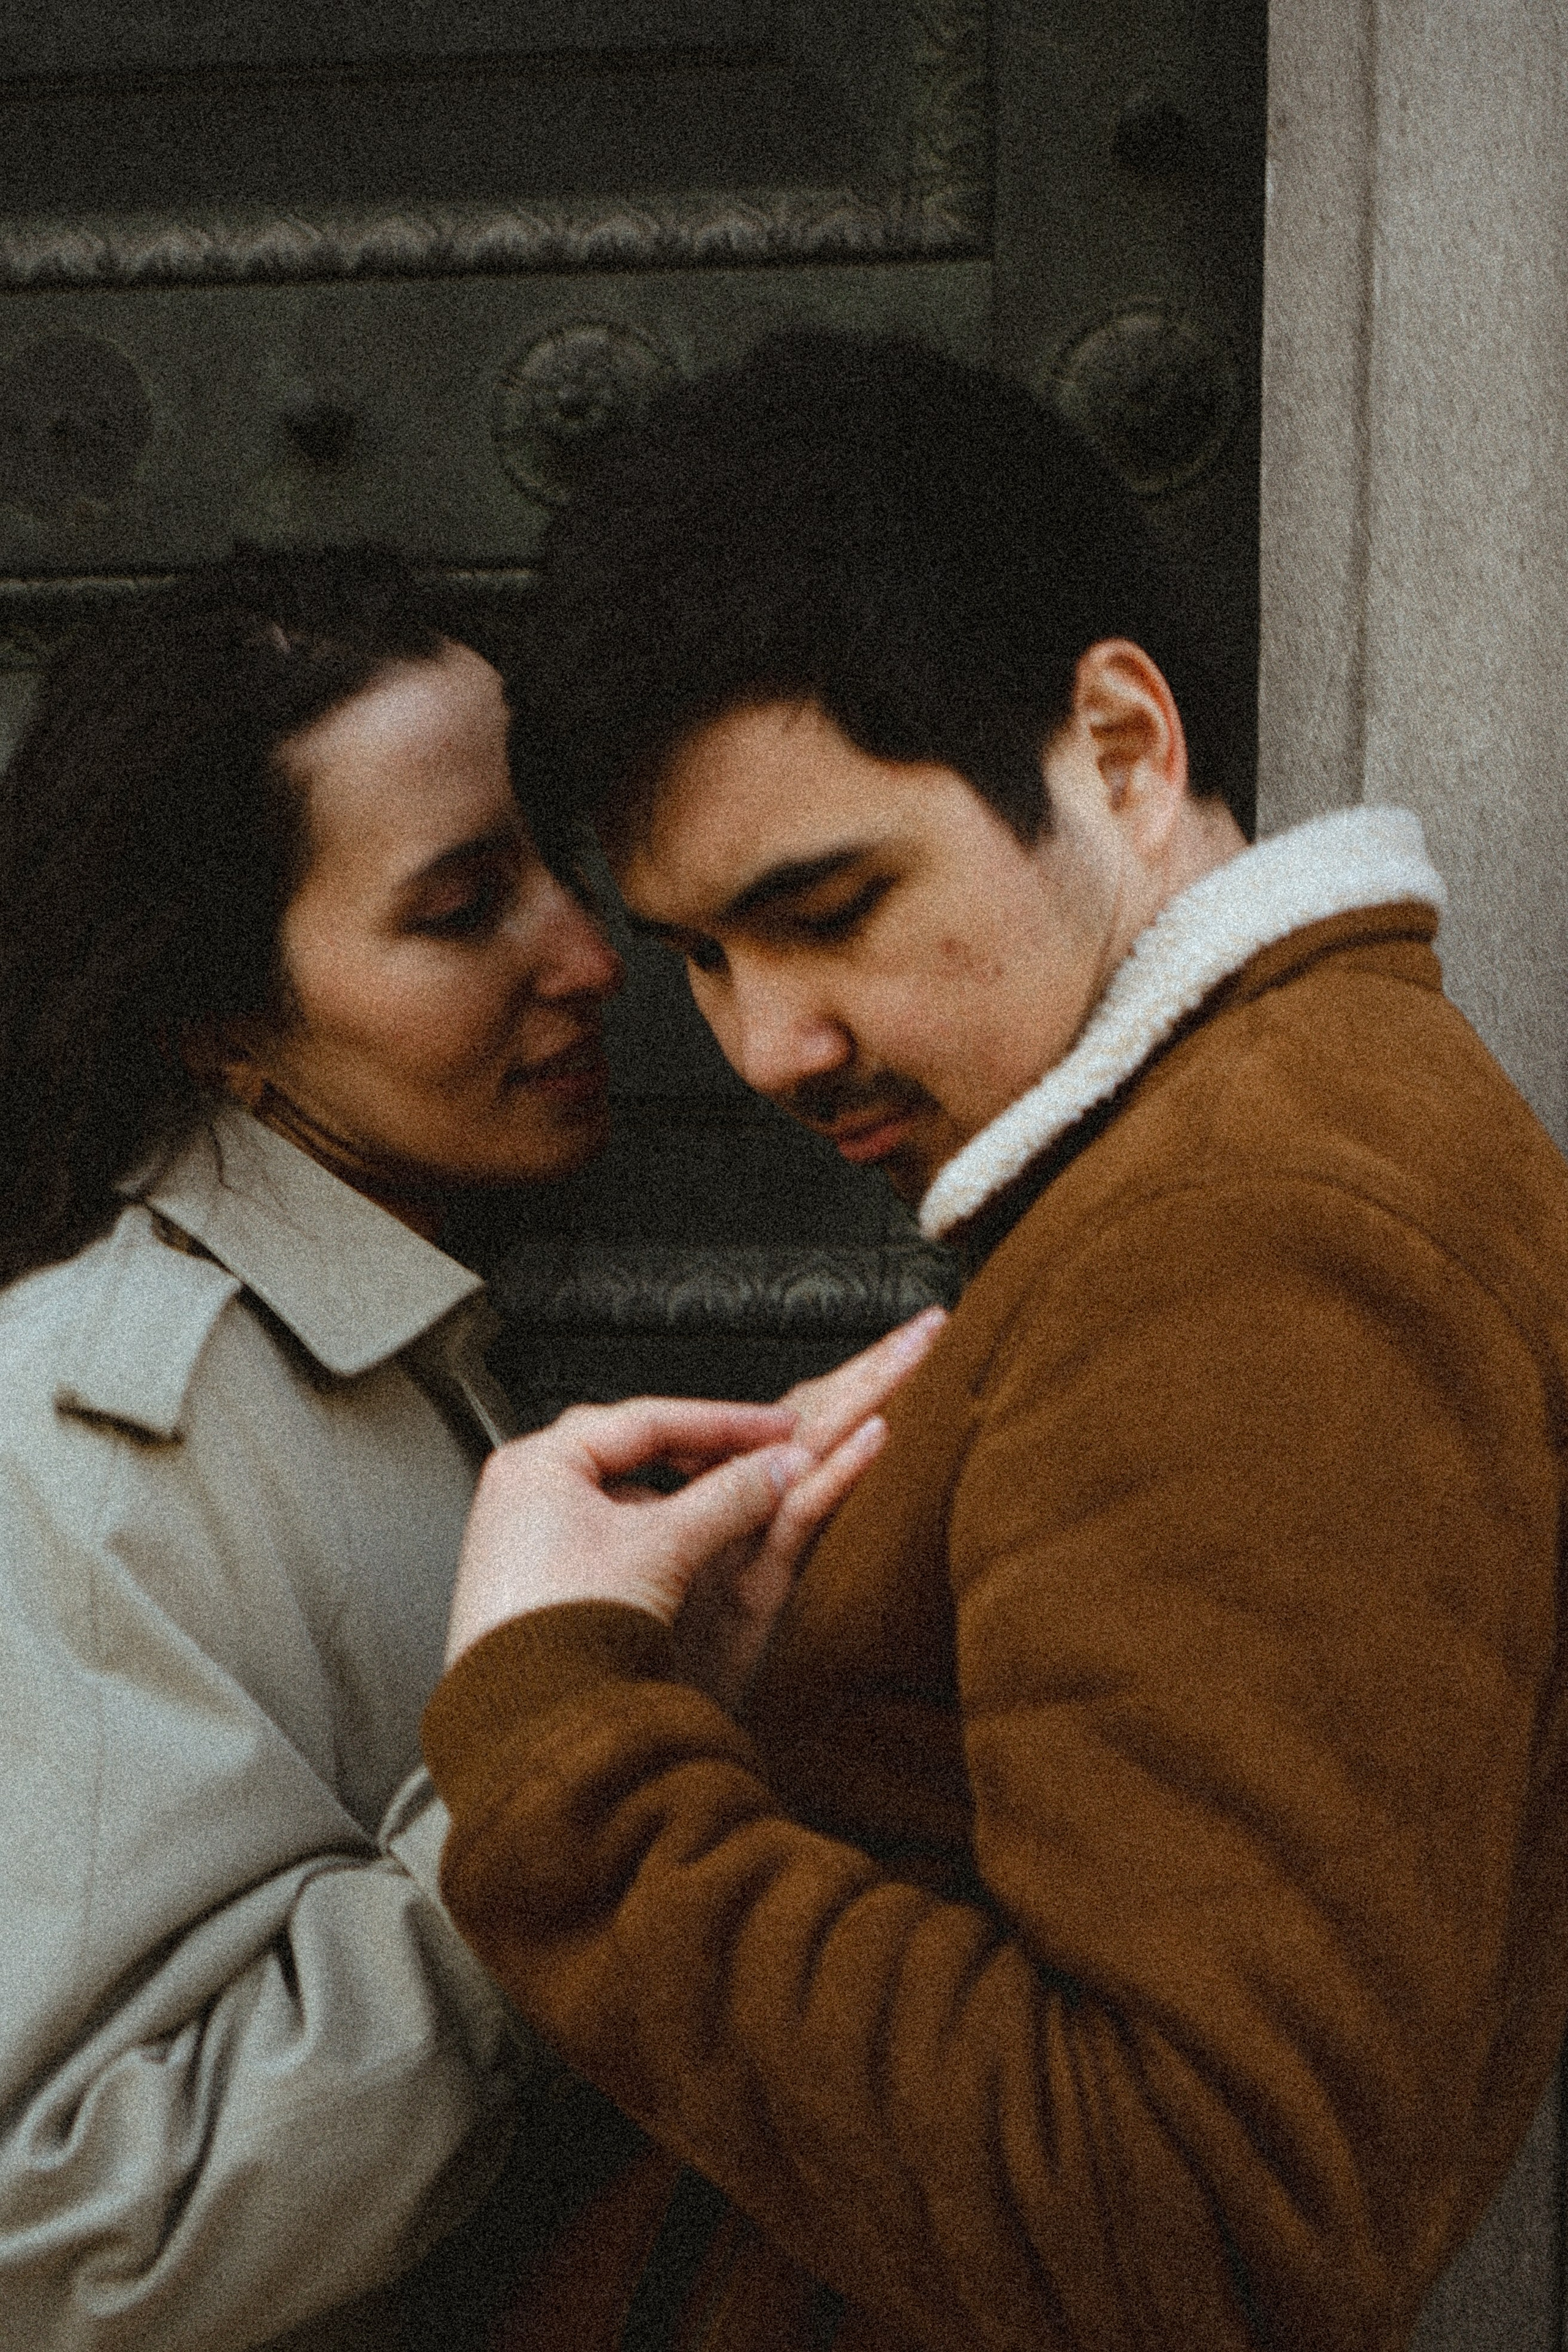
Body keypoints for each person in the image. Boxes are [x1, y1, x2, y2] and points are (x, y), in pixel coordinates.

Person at [417, 333, 1568, 2352]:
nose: (768, 1044)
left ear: (1120, 745)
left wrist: (563, 1743)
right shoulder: (1223, 1156)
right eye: (701, 950)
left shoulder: (1254, 1239)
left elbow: (1198, 2240)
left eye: (833, 903)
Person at [0, 541, 940, 2352]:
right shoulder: (89, 1444)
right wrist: (563, 1777)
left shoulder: (380, 1351)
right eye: (460, 913)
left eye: (562, 877)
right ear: (220, 1018)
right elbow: (72, 2226)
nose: (592, 960)